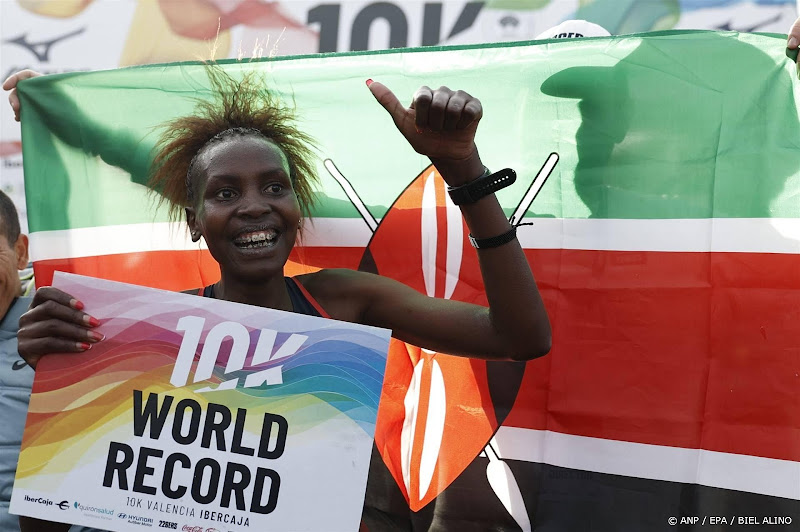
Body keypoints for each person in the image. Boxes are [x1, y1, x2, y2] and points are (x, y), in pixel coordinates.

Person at [5, 65, 551, 530]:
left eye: (274, 187)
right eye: (225, 192)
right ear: (195, 221)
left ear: (296, 204)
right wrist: (56, 385)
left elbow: (520, 337)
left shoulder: (343, 301)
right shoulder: (148, 339)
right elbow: (51, 518)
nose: (254, 206)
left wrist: (463, 170)